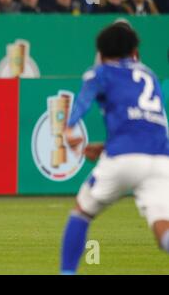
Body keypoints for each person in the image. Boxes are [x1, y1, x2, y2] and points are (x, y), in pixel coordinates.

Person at [60, 23, 169, 274]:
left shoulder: (100, 72)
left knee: (82, 212)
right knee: (162, 229)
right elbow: (148, 124)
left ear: (101, 51)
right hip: (161, 159)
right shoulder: (150, 75)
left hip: (123, 158)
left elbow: (83, 101)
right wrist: (106, 147)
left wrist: (69, 128)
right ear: (134, 50)